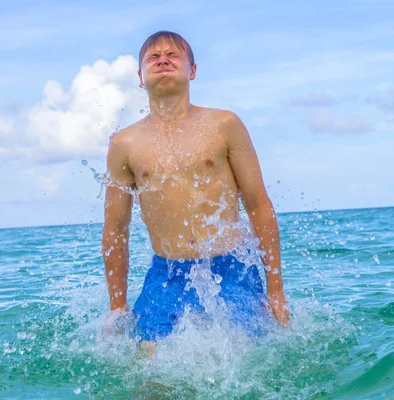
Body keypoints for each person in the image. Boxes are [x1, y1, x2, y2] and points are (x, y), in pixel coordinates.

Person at [102, 31, 289, 353]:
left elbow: (258, 205)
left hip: (231, 268)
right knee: (147, 361)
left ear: (192, 70)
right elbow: (115, 229)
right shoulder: (124, 143)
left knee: (246, 356)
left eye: (173, 55)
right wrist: (117, 306)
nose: (163, 59)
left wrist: (276, 292)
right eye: (153, 57)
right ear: (140, 76)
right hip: (166, 272)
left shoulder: (223, 125)